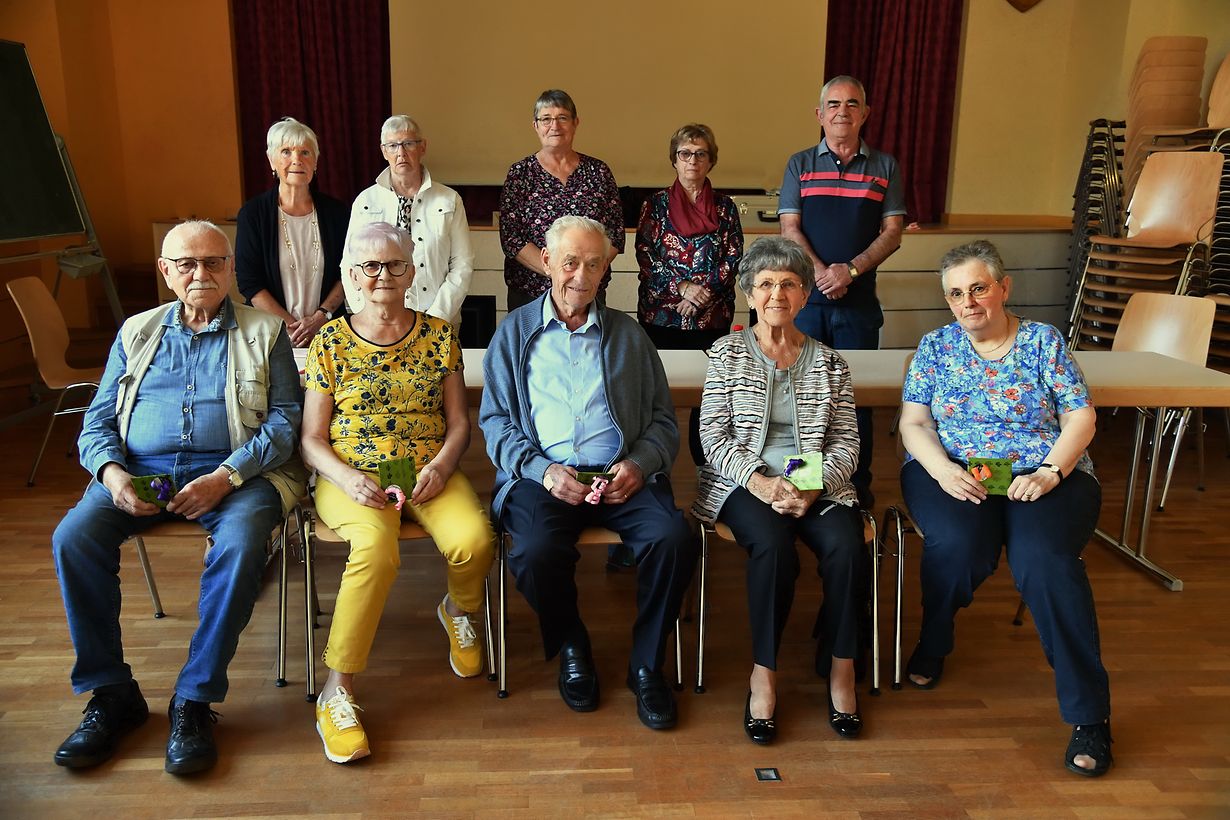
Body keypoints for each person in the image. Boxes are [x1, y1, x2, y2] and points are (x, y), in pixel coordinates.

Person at [51, 221, 306, 775]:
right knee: (74, 539)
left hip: (236, 474)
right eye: (187, 264)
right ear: (166, 271)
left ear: (230, 269)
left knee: (242, 545)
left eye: (213, 262)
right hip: (142, 472)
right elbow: (97, 421)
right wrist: (113, 476)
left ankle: (194, 700)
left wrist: (226, 477)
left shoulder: (266, 331)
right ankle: (111, 694)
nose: (200, 274)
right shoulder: (135, 332)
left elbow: (286, 422)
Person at [898, 240, 1112, 777]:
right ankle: (935, 636)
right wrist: (942, 470)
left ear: (1003, 288)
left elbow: (1080, 417)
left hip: (1042, 470)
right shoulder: (936, 346)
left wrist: (1051, 471)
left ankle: (1089, 716)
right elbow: (914, 422)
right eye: (955, 293)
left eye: (978, 288)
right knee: (959, 548)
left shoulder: (1043, 341)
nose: (967, 302)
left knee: (1046, 563)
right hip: (957, 468)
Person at [479, 215, 698, 730]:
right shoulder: (513, 334)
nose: (580, 275)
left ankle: (647, 665)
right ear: (547, 263)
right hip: (543, 477)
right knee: (533, 550)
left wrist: (639, 465)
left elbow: (663, 421)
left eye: (593, 264)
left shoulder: (629, 336)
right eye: (570, 262)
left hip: (620, 475)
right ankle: (572, 642)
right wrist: (542, 470)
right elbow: (494, 422)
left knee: (674, 539)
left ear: (605, 271)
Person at [301, 222, 495, 764]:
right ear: (353, 274)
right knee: (376, 550)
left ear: (412, 272)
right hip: (353, 476)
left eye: (394, 265)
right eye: (370, 265)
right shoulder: (329, 342)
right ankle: (337, 690)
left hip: (429, 471)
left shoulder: (440, 336)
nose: (382, 274)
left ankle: (458, 610)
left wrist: (442, 465)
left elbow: (459, 423)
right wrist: (345, 477)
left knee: (474, 540)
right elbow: (311, 439)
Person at [693, 236, 866, 745]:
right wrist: (763, 483)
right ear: (749, 294)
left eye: (789, 283)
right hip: (743, 480)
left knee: (847, 546)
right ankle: (764, 674)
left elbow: (847, 442)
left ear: (805, 294)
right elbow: (712, 436)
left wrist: (812, 485)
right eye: (765, 284)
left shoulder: (831, 362)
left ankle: (842, 668)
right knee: (772, 547)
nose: (776, 294)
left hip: (814, 480)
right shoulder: (727, 355)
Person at [778, 75, 906, 508]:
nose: (842, 112)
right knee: (804, 397)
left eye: (852, 104)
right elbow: (789, 227)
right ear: (819, 114)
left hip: (859, 306)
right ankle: (805, 484)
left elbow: (893, 232)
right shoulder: (799, 164)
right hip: (806, 304)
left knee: (856, 400)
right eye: (833, 104)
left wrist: (849, 271)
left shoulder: (885, 166)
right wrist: (820, 274)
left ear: (865, 113)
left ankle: (855, 486)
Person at [499, 89, 625, 311]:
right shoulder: (520, 173)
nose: (554, 126)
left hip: (586, 290)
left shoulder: (598, 172)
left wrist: (582, 273)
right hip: (530, 294)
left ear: (576, 123)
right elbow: (512, 238)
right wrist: (558, 272)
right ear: (535, 126)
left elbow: (614, 234)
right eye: (546, 119)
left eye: (562, 118)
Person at [343, 115, 474, 325]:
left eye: (408, 144)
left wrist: (436, 317)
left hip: (439, 320)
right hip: (377, 323)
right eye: (393, 146)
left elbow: (462, 264)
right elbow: (349, 263)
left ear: (422, 147)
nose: (401, 153)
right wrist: (365, 313)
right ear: (384, 151)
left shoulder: (449, 200)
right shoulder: (366, 201)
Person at [236, 117, 349, 346]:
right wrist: (293, 328)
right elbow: (249, 282)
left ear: (315, 162)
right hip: (270, 335)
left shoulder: (338, 213)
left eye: (305, 152)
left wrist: (319, 319)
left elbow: (348, 271)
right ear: (272, 160)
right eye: (286, 152)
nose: (297, 160)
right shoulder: (253, 214)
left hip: (328, 333)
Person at [636, 123, 743, 352]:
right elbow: (646, 256)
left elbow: (733, 257)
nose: (692, 160)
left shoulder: (726, 207)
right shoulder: (654, 205)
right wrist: (682, 287)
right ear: (674, 160)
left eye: (701, 154)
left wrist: (700, 295)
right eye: (685, 153)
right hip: (661, 314)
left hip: (712, 314)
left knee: (709, 375)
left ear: (711, 161)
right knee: (661, 374)